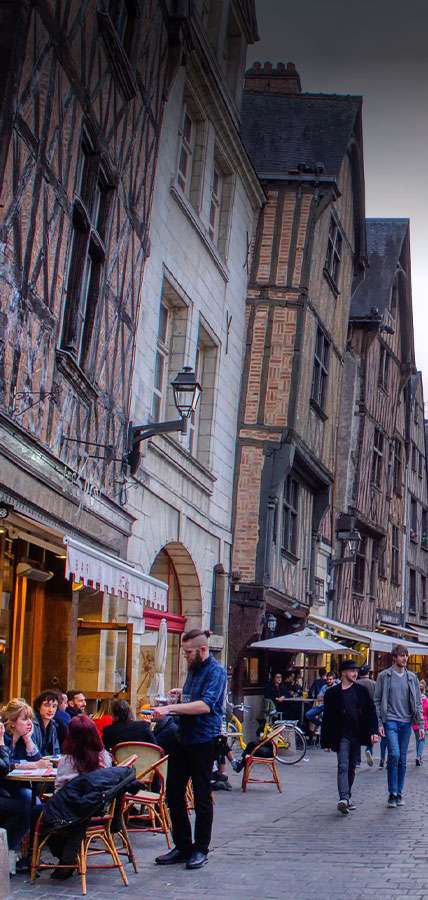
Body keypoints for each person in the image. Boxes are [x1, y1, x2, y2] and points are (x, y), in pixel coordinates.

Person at [152, 628, 227, 871]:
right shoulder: (193, 669)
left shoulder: (216, 671)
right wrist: (180, 695)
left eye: (188, 652)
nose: (185, 656)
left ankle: (201, 849)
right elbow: (192, 699)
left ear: (203, 650)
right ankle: (182, 845)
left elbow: (205, 705)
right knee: (173, 792)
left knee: (202, 795)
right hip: (182, 737)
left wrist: (169, 710)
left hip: (204, 741)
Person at [321, 659, 378, 815]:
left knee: (352, 767)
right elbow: (328, 718)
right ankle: (344, 798)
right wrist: (325, 740)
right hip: (341, 734)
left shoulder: (361, 691)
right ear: (344, 673)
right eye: (352, 671)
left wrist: (374, 731)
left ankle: (348, 796)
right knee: (343, 765)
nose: (355, 673)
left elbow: (371, 712)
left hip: (357, 734)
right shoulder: (332, 693)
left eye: (356, 671)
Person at [374, 644, 424, 807]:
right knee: (394, 755)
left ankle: (398, 793)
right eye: (402, 655)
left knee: (402, 759)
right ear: (394, 658)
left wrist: (421, 725)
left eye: (406, 655)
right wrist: (379, 722)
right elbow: (377, 700)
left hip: (406, 722)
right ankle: (392, 792)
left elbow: (417, 703)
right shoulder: (384, 676)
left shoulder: (412, 678)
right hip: (391, 721)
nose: (405, 658)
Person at [357, 664, 377, 766]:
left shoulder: (355, 683)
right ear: (368, 673)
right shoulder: (373, 684)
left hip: (358, 712)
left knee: (356, 735)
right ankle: (369, 749)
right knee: (371, 734)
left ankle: (357, 760)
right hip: (370, 712)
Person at [32, 690, 61, 756]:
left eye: (54, 706)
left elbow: (56, 750)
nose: (51, 710)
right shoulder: (31, 724)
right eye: (47, 705)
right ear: (38, 707)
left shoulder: (53, 725)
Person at [412, 679, 428, 766]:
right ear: (424, 689)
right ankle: (418, 757)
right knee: (422, 740)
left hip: (415, 723)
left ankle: (419, 757)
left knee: (418, 740)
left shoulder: (414, 699)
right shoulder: (426, 700)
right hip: (423, 722)